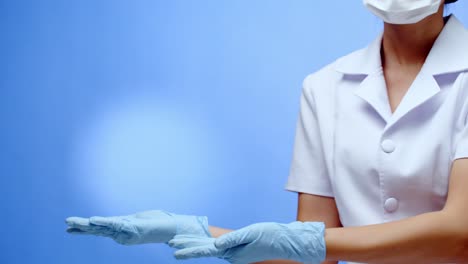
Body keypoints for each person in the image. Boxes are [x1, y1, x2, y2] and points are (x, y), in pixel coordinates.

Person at [66, 0, 468, 263]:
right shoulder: (325, 86)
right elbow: (313, 250)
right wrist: (203, 233)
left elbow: (459, 233)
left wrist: (307, 242)